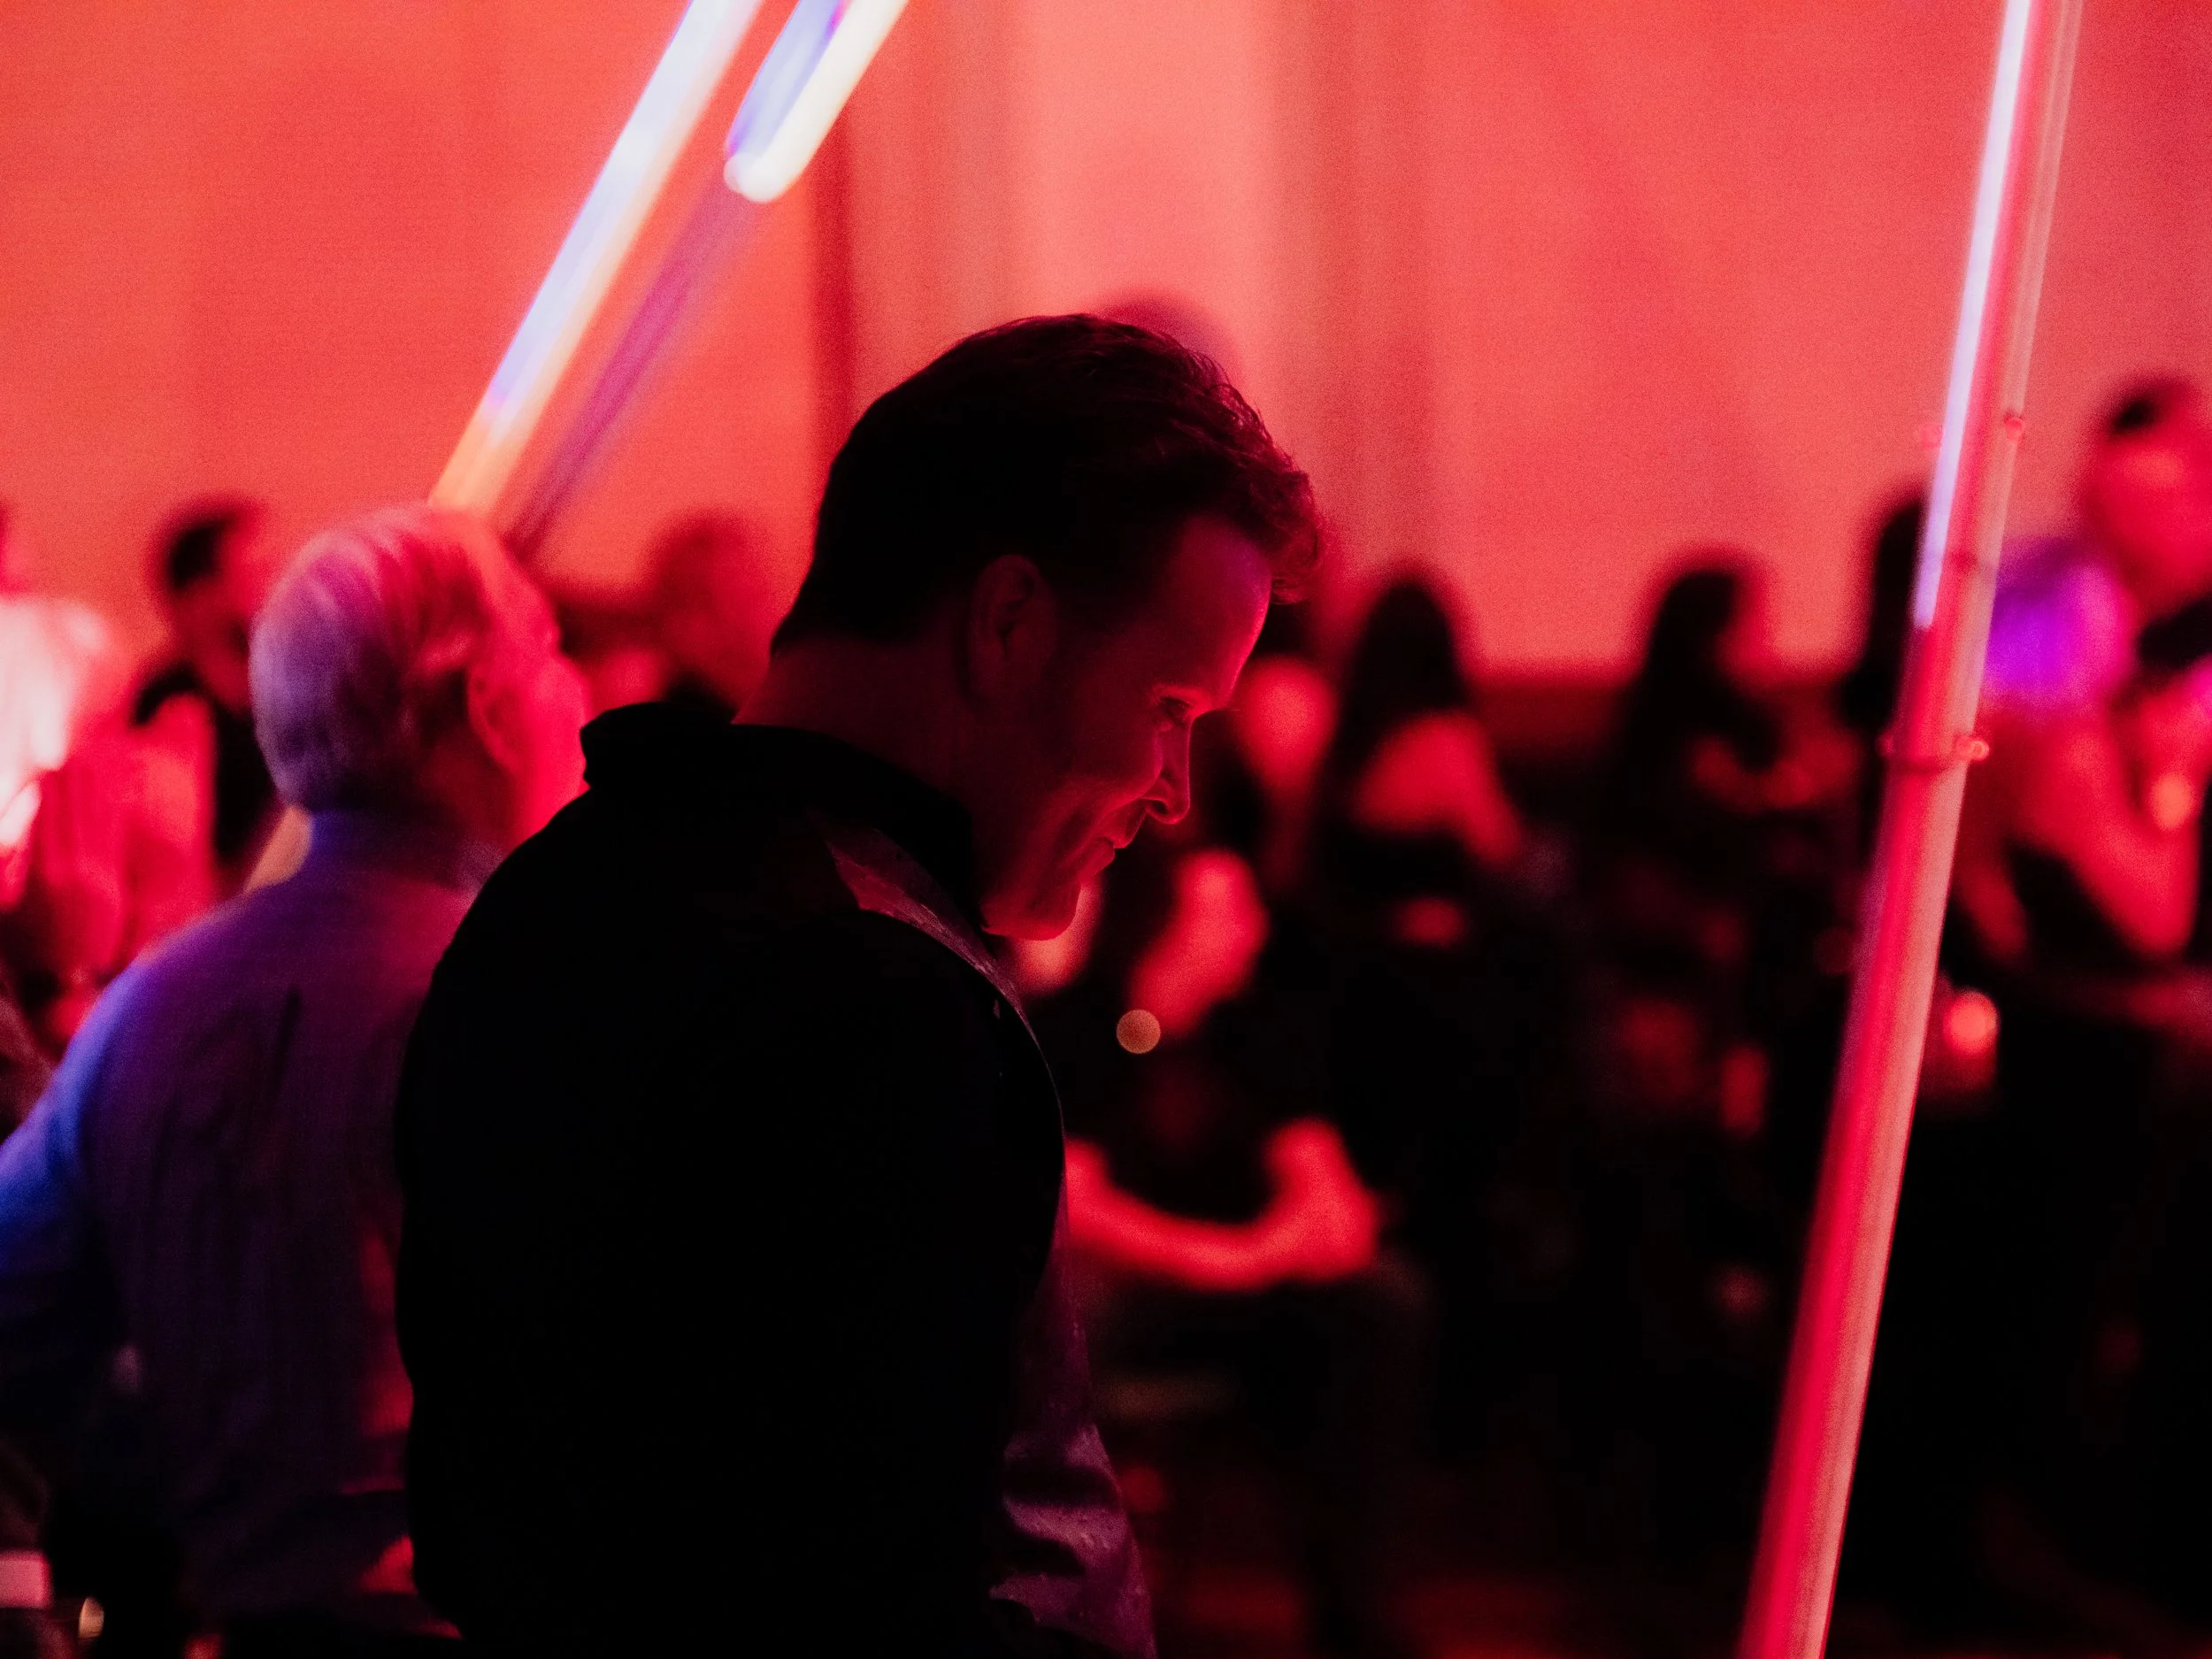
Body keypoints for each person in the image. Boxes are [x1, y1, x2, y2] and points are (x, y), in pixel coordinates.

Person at [394, 315, 1319, 1656]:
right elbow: (879, 1593)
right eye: (1170, 707)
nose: (1173, 793)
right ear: (1008, 622)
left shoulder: (553, 887)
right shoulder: (879, 996)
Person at [0, 506, 587, 1658]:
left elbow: (12, 1322)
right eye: (550, 652)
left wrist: (218, 1461)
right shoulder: (533, 999)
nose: (577, 703)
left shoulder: (150, 1010)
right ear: (485, 710)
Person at [1036, 843, 1418, 1657]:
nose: (1256, 929)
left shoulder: (1259, 1030)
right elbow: (1078, 1208)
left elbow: (1333, 1206)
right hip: (1129, 1297)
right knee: (1066, 1317)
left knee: (1379, 1302)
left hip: (1243, 1292)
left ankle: (1354, 1609)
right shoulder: (1080, 1023)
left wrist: (1255, 1256)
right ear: (1167, 921)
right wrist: (1221, 1258)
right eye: (1232, 909)